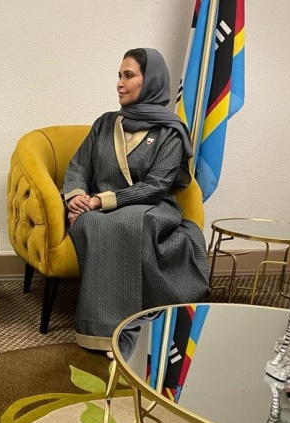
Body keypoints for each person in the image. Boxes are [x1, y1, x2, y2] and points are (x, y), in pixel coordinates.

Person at [62, 48, 209, 358]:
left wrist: (100, 201)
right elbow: (78, 167)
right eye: (119, 75)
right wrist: (77, 199)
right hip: (97, 209)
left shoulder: (170, 132)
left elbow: (156, 186)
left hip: (151, 207)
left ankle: (127, 332)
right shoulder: (104, 123)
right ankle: (100, 331)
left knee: (127, 222)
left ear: (150, 81)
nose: (120, 83)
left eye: (128, 76)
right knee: (90, 223)